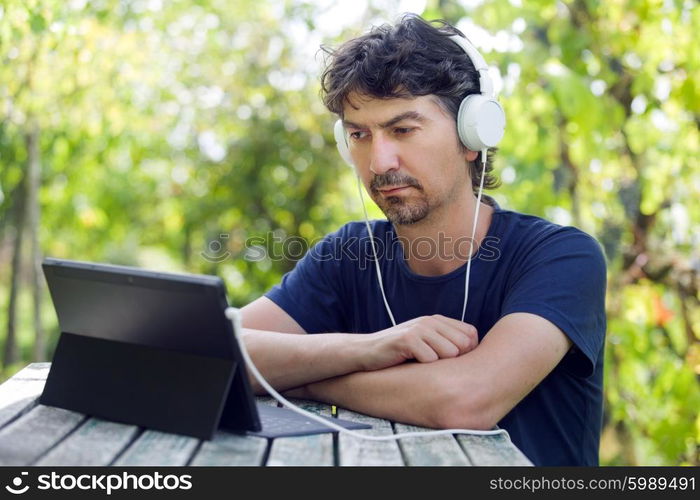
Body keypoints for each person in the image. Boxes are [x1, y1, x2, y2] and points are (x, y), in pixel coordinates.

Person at [240, 14, 606, 466]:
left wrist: (297, 378)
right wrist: (371, 348)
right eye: (359, 134)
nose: (378, 161)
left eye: (402, 130)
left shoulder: (561, 256)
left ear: (473, 134)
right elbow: (220, 347)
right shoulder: (349, 255)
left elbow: (465, 400)